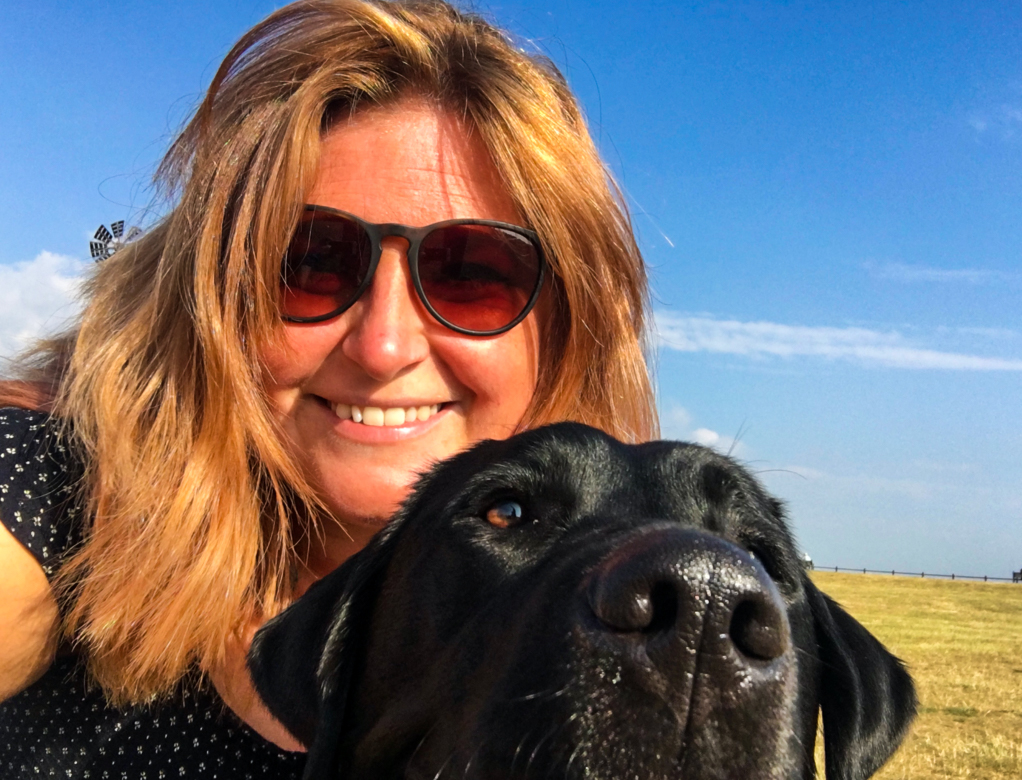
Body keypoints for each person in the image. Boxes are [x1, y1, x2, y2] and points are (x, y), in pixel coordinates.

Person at [0, 0, 658, 776]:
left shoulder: (636, 621)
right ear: (210, 298)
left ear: (567, 325)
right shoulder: (62, 492)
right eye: (305, 263)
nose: (382, 347)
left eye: (473, 273)